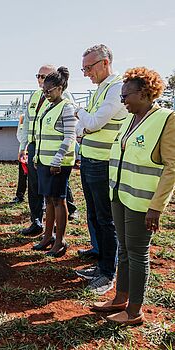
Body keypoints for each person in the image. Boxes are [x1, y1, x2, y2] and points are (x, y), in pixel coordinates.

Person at [92, 67, 175, 325]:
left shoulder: (166, 120)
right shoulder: (129, 120)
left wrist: (156, 206)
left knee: (138, 253)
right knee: (125, 251)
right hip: (120, 196)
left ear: (144, 92)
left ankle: (134, 311)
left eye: (126, 95)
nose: (122, 100)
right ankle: (120, 298)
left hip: (143, 202)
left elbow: (172, 167)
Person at [74, 44, 128, 295]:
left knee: (106, 219)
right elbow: (82, 129)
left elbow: (93, 123)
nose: (86, 73)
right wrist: (85, 125)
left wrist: (80, 112)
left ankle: (108, 272)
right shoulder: (100, 90)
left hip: (103, 162)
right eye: (83, 68)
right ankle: (101, 262)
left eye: (89, 67)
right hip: (89, 159)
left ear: (104, 62)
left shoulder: (116, 88)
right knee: (95, 214)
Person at [18, 65, 78, 236]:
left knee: (58, 194)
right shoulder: (36, 96)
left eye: (44, 77)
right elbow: (28, 123)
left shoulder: (64, 100)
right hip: (36, 147)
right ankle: (37, 222)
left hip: (55, 153)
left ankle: (58, 234)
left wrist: (59, 157)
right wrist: (24, 146)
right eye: (38, 76)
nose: (40, 80)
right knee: (36, 187)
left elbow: (69, 132)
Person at [32, 67, 77, 257]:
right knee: (48, 200)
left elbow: (70, 136)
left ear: (59, 88)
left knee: (59, 200)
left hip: (58, 165)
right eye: (44, 91)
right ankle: (47, 236)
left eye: (49, 91)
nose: (46, 94)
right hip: (44, 161)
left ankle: (60, 241)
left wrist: (58, 158)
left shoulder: (67, 107)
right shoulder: (50, 106)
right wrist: (37, 157)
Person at [10, 113, 27, 204]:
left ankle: (41, 200)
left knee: (37, 179)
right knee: (22, 176)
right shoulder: (23, 117)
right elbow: (19, 136)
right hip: (24, 153)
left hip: (36, 153)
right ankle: (19, 195)